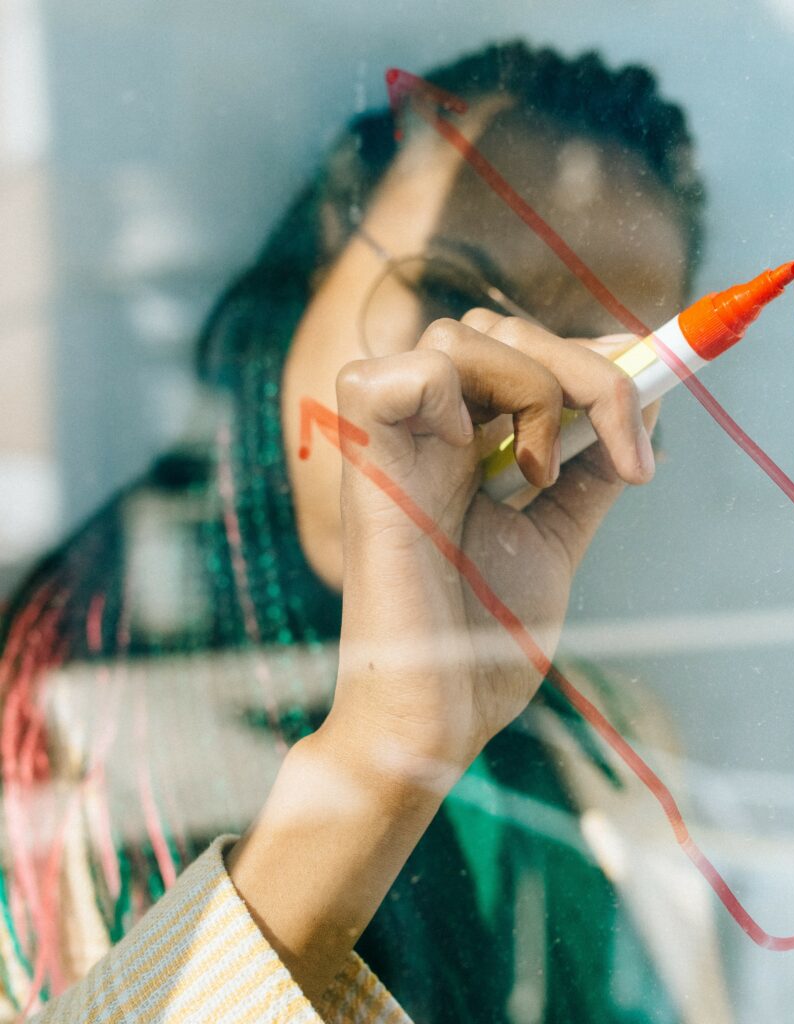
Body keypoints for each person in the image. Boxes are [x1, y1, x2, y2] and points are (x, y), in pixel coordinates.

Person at [0, 40, 715, 1022]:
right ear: (314, 265)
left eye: (597, 387)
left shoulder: (614, 752)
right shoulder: (42, 696)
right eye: (449, 294)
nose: (502, 398)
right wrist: (380, 758)